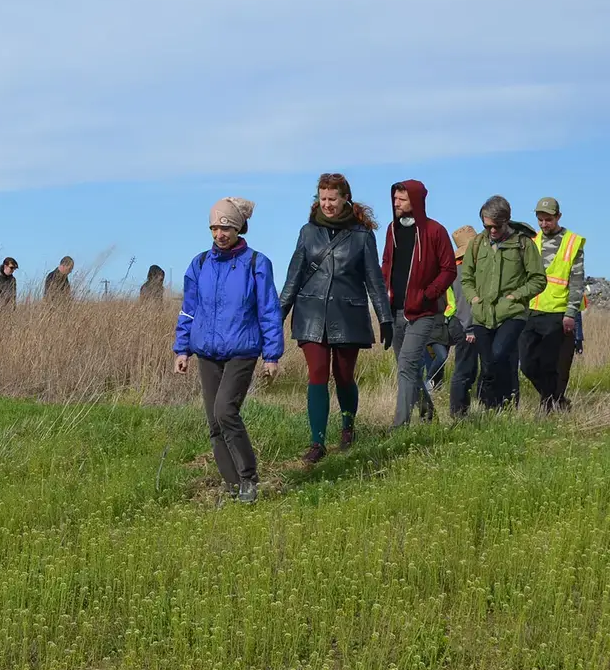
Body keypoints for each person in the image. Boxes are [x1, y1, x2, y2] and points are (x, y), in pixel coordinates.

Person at [173, 198, 283, 504]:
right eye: (216, 227)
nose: (220, 233)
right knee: (213, 422)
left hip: (242, 350)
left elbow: (269, 311)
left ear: (238, 228)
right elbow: (188, 310)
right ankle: (233, 487)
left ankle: (249, 478)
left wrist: (272, 356)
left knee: (225, 411)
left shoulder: (256, 263)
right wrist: (182, 349)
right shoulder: (199, 264)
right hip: (206, 352)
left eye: (227, 227)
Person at [280, 173, 392, 465]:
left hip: (348, 315)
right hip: (311, 315)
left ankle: (347, 427)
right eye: (322, 198)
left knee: (343, 377)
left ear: (345, 199)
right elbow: (293, 276)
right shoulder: (307, 232)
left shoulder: (362, 235)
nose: (327, 204)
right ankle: (317, 442)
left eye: (332, 199)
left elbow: (374, 280)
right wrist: (276, 316)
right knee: (317, 375)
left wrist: (385, 318)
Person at [381, 181, 457, 429]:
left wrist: (429, 294)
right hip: (396, 311)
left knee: (407, 365)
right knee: (408, 367)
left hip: (423, 312)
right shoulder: (392, 230)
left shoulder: (435, 231)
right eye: (395, 198)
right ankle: (428, 415)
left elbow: (448, 270)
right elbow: (386, 264)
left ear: (416, 201)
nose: (396, 203)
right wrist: (384, 297)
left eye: (401, 199)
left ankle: (399, 425)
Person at [459, 195, 546, 411]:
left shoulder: (523, 243)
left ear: (506, 221)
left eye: (496, 226)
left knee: (499, 356)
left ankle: (505, 407)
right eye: (487, 226)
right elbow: (466, 277)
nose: (492, 231)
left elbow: (538, 279)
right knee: (488, 364)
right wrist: (474, 299)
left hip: (512, 314)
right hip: (482, 314)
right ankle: (490, 411)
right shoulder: (477, 243)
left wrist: (515, 296)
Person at [519, 197, 586, 412]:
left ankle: (549, 405)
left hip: (558, 313)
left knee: (552, 365)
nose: (544, 224)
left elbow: (577, 281)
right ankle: (556, 400)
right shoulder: (532, 241)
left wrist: (570, 313)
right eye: (540, 220)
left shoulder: (572, 243)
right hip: (532, 311)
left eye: (548, 219)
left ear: (558, 217)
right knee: (528, 364)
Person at [444, 226, 480, 418]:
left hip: (456, 322)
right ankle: (458, 413)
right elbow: (464, 302)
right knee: (465, 370)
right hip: (465, 325)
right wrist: (470, 329)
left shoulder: (454, 266)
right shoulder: (464, 268)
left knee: (468, 369)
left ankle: (460, 412)